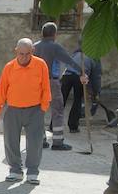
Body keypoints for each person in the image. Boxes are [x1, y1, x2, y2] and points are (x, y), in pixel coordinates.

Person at [0, 38, 52, 185]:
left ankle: (32, 172)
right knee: (11, 141)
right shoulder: (9, 67)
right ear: (16, 52)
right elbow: (2, 89)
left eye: (27, 54)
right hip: (13, 109)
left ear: (32, 51)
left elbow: (46, 87)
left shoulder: (40, 65)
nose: (24, 57)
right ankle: (15, 170)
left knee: (35, 142)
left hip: (35, 110)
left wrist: (43, 107)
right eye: (21, 54)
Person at [33, 22, 87, 150]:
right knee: (57, 110)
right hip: (51, 81)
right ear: (54, 34)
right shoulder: (55, 47)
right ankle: (57, 141)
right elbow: (69, 61)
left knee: (38, 111)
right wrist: (82, 72)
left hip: (36, 83)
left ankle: (40, 140)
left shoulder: (34, 47)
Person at [80, 50, 118, 127]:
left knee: (85, 94)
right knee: (87, 94)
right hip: (85, 77)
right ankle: (86, 112)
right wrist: (96, 91)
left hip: (76, 77)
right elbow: (95, 78)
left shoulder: (80, 55)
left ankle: (85, 112)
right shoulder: (94, 59)